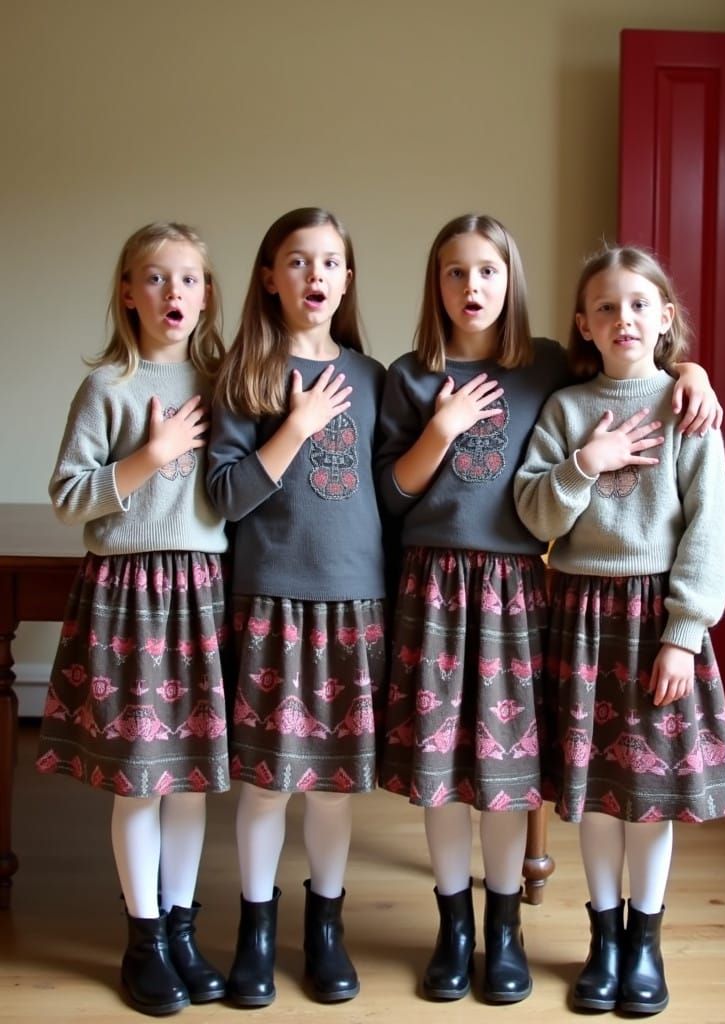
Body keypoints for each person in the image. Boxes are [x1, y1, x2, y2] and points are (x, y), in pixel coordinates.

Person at [375, 215, 721, 1005]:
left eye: (488, 271)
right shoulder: (423, 375)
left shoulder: (542, 368)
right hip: (450, 590)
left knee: (510, 769)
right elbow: (399, 494)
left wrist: (692, 372)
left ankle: (514, 929)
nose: (472, 287)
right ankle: (456, 927)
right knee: (444, 771)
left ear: (513, 281)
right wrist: (449, 429)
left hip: (524, 596)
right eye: (455, 273)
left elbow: (639, 358)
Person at [514, 244, 725, 1015]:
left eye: (640, 304)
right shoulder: (566, 411)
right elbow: (535, 511)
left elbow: (709, 527)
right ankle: (603, 940)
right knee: (598, 793)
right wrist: (585, 461)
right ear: (584, 324)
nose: (624, 319)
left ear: (664, 318)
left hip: (656, 623)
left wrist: (684, 632)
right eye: (606, 307)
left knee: (648, 795)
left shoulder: (687, 407)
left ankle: (644, 943)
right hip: (579, 618)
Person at [37, 222, 231, 1015]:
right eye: (154, 278)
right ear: (127, 291)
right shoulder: (107, 388)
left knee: (189, 782)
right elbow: (66, 495)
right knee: (142, 780)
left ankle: (183, 929)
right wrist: (148, 457)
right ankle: (143, 938)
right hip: (131, 598)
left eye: (187, 279)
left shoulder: (224, 380)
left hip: (205, 595)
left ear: (207, 294)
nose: (172, 294)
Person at [206, 207, 387, 1006]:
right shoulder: (245, 374)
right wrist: (295, 426)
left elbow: (396, 492)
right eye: (298, 261)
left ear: (348, 279)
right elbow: (226, 498)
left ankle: (324, 928)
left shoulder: (374, 376)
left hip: (356, 603)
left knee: (334, 785)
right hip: (273, 602)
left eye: (331, 262)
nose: (316, 276)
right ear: (269, 276)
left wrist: (685, 367)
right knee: (267, 784)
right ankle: (253, 931)